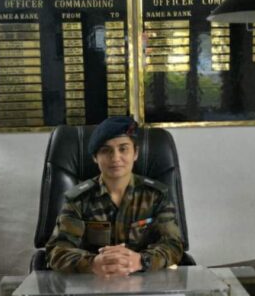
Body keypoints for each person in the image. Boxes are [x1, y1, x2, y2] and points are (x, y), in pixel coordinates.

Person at [44, 116, 184, 276]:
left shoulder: (156, 196)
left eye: (123, 149)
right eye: (106, 150)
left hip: (146, 280)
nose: (115, 158)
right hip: (92, 282)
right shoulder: (79, 200)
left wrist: (141, 261)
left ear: (135, 153)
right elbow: (57, 251)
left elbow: (173, 245)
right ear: (95, 157)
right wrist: (93, 263)